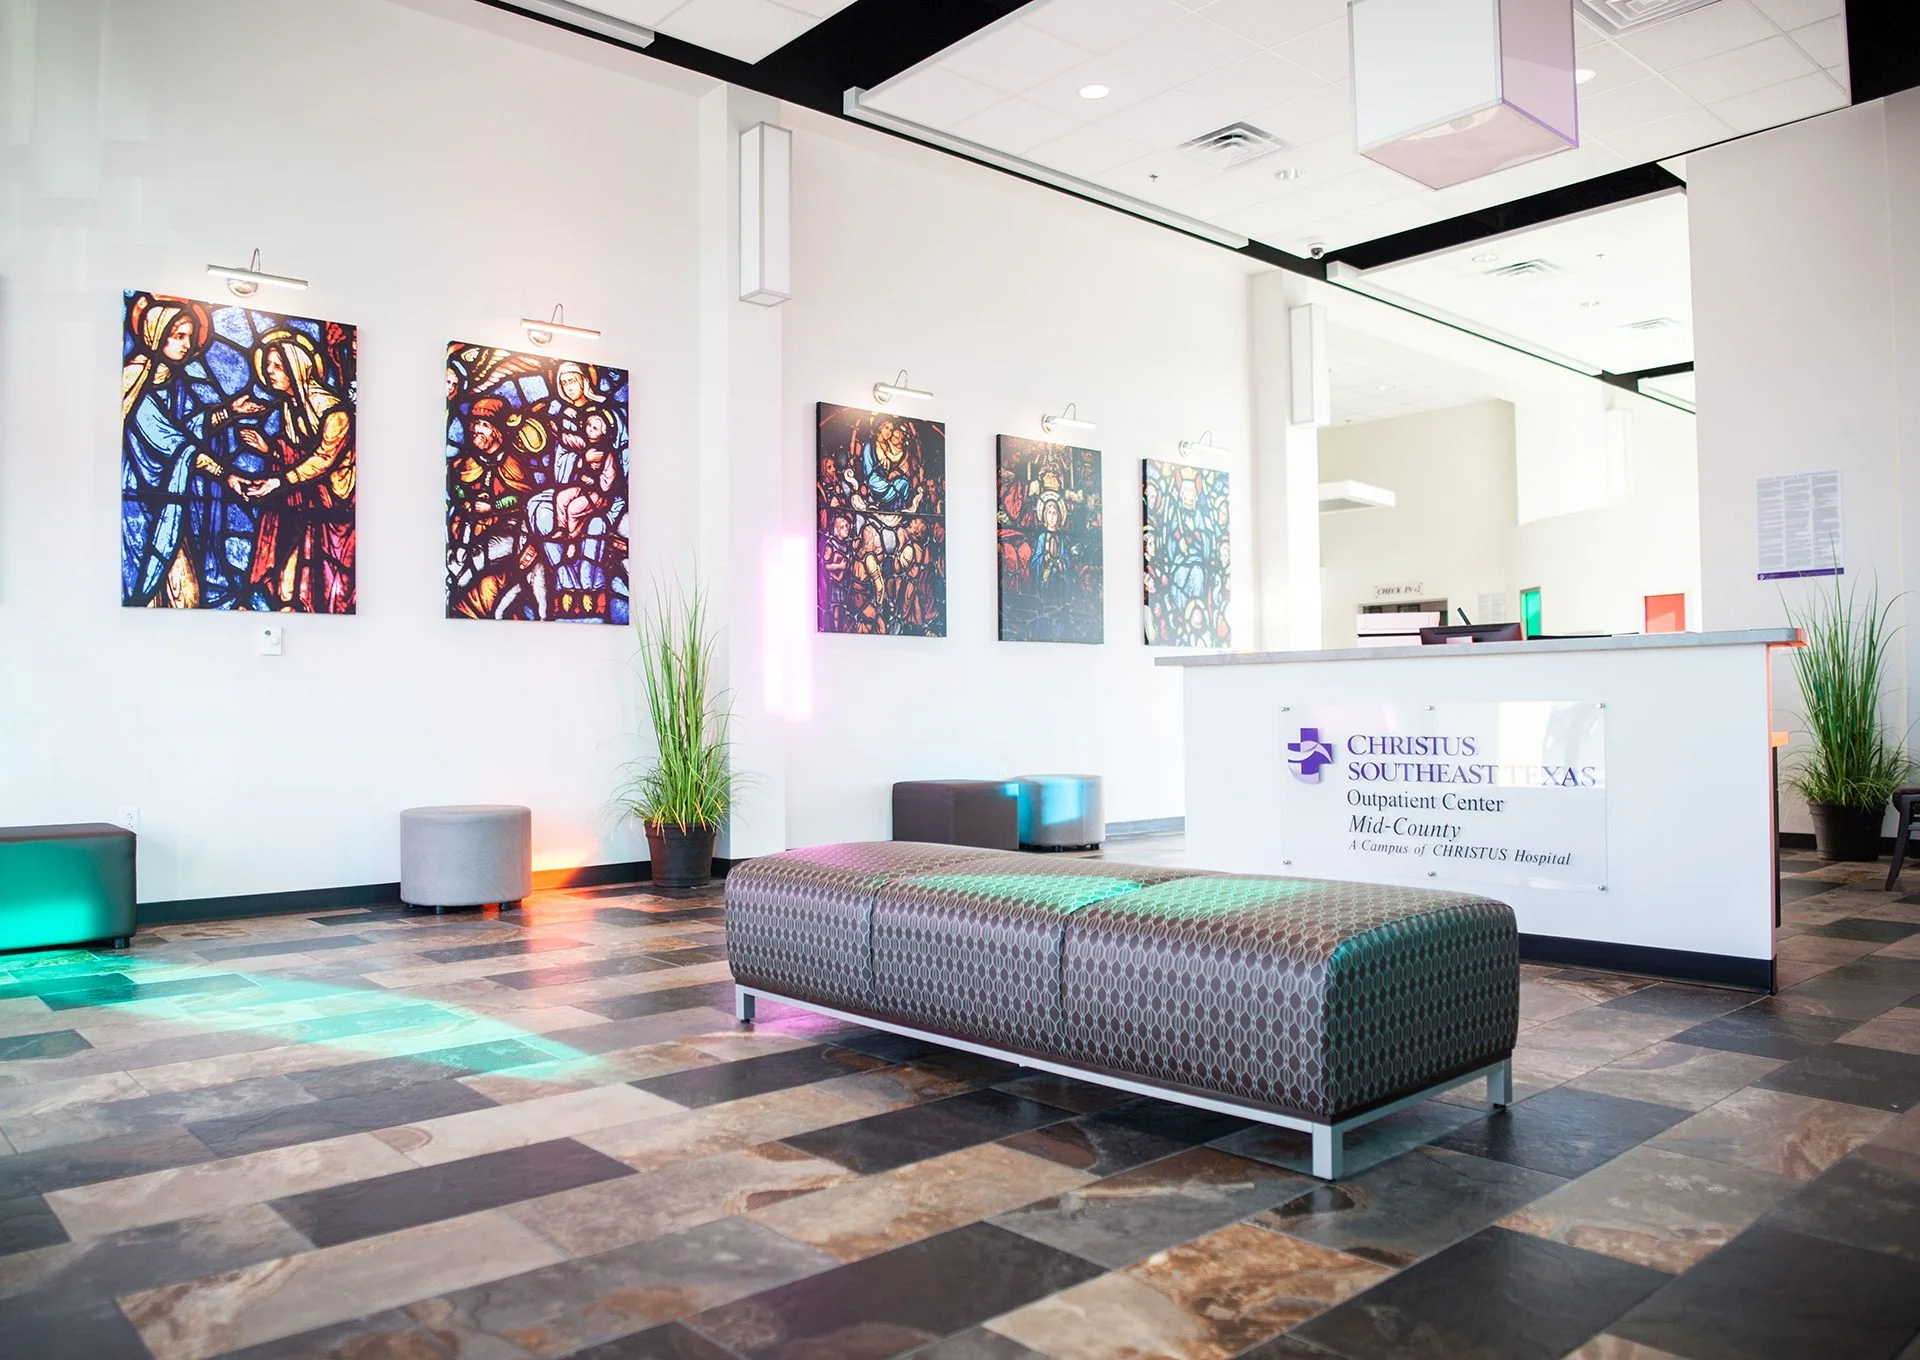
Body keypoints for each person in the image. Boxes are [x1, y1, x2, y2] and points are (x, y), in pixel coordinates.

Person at [120, 295, 260, 607]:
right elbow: (175, 445)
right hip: (141, 509)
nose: (187, 344)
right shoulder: (134, 382)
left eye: (189, 336)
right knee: (169, 598)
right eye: (178, 336)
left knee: (186, 597)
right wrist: (227, 475)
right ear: (157, 336)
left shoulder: (173, 383)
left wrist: (230, 411)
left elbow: (189, 429)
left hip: (169, 504)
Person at [233, 328, 355, 613]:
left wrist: (279, 481)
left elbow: (324, 459)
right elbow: (299, 453)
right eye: (267, 366)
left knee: (323, 582)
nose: (270, 371)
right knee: (290, 574)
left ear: (296, 367)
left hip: (336, 505)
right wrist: (271, 450)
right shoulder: (290, 406)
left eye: (277, 366)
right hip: (309, 503)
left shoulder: (333, 411)